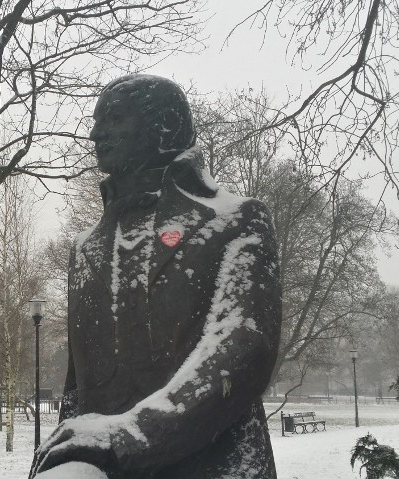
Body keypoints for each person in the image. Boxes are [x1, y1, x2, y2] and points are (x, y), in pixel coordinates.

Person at [31, 75, 281, 478]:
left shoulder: (237, 220)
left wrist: (128, 438)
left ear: (164, 125)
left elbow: (242, 348)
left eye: (112, 118)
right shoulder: (85, 248)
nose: (96, 134)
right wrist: (61, 453)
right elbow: (78, 387)